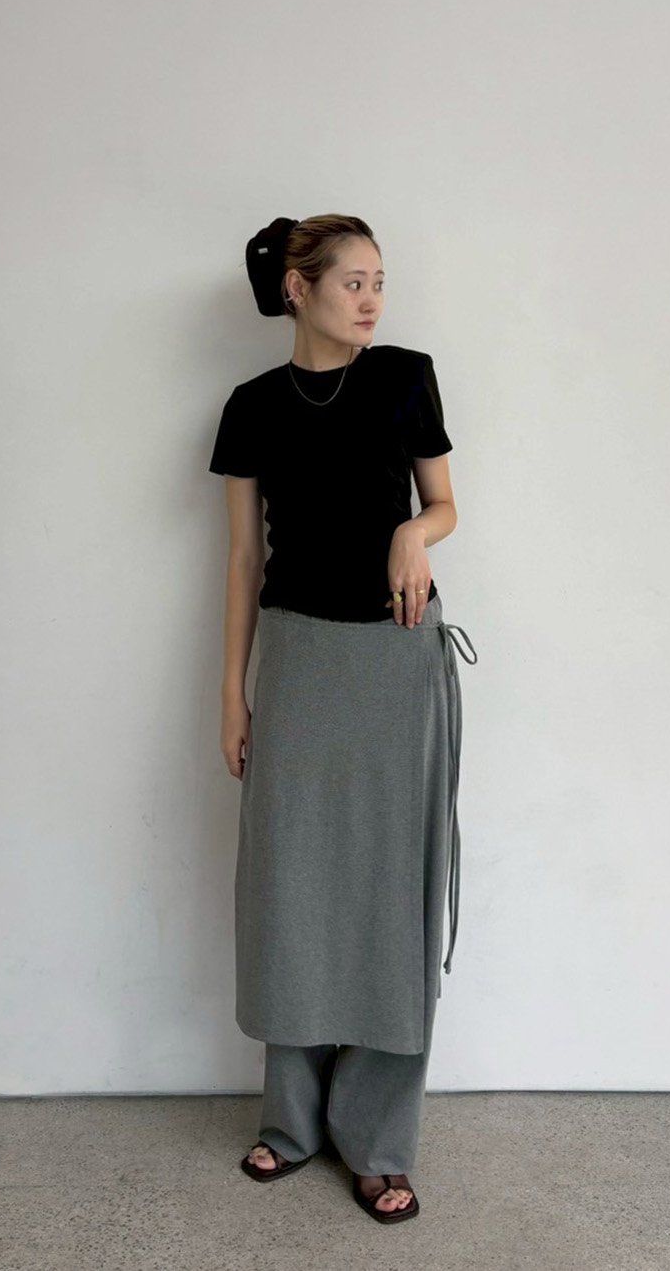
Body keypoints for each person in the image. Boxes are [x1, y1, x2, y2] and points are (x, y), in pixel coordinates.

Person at [207, 213, 477, 1224]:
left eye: (378, 281)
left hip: (394, 662)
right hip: (298, 659)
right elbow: (244, 559)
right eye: (352, 281)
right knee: (293, 888)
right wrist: (231, 691)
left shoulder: (405, 377)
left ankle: (377, 1138)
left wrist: (414, 528)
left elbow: (446, 503)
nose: (371, 299)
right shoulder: (250, 408)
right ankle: (291, 1120)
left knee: (387, 893)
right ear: (298, 288)